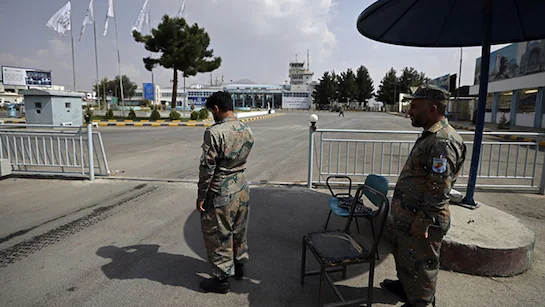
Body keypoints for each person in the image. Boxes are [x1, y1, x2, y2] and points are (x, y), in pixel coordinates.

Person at [380, 84, 466, 307]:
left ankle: (421, 302)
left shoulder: (442, 142)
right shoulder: (432, 136)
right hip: (410, 213)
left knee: (422, 264)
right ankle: (406, 288)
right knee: (408, 258)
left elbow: (439, 188)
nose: (410, 110)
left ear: (432, 109)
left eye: (415, 106)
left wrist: (424, 221)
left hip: (423, 218)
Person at [197, 90, 255, 293]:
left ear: (216, 109)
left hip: (221, 191)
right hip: (242, 187)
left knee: (219, 233)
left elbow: (207, 169)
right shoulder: (246, 129)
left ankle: (221, 279)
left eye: (212, 112)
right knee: (239, 230)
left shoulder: (214, 133)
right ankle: (239, 265)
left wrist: (201, 197)